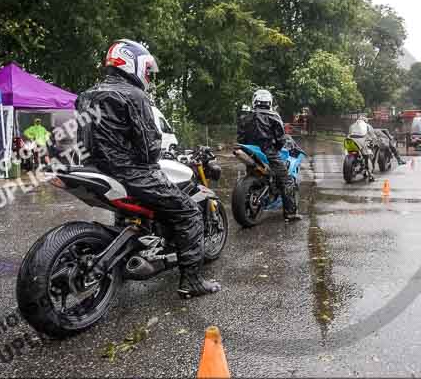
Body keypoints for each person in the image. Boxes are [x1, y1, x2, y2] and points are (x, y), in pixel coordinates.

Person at [76, 39, 220, 299]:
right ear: (132, 63)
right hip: (131, 174)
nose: (148, 77)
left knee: (130, 214)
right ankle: (192, 281)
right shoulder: (134, 95)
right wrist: (153, 156)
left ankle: (127, 254)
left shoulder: (87, 95)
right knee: (188, 212)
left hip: (96, 169)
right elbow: (148, 144)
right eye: (147, 70)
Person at [237, 89, 302, 221]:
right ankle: (290, 213)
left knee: (252, 173)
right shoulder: (273, 116)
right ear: (269, 101)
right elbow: (281, 139)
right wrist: (276, 150)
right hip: (268, 152)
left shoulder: (245, 116)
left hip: (250, 152)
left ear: (255, 101)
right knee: (287, 179)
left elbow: (241, 138)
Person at [348, 115, 378, 182]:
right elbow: (373, 136)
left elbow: (349, 133)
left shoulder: (352, 125)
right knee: (367, 156)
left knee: (349, 152)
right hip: (362, 143)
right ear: (365, 121)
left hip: (351, 142)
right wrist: (374, 141)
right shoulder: (368, 126)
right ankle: (371, 175)